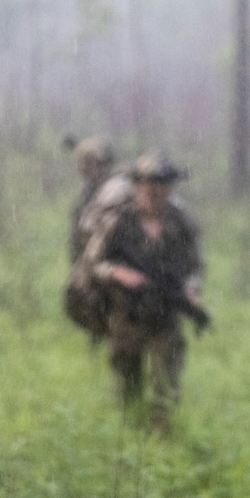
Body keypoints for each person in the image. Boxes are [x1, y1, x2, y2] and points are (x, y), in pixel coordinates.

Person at [93, 151, 205, 429]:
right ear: (137, 184)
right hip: (127, 316)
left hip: (167, 315)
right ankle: (130, 442)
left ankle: (160, 444)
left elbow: (195, 266)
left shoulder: (181, 222)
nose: (156, 190)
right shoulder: (119, 221)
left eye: (163, 183)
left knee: (165, 387)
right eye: (149, 183)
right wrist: (117, 272)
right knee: (128, 385)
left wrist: (191, 289)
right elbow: (95, 262)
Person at [70, 135, 116, 261]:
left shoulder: (113, 193)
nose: (82, 167)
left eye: (87, 162)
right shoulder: (89, 191)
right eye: (81, 161)